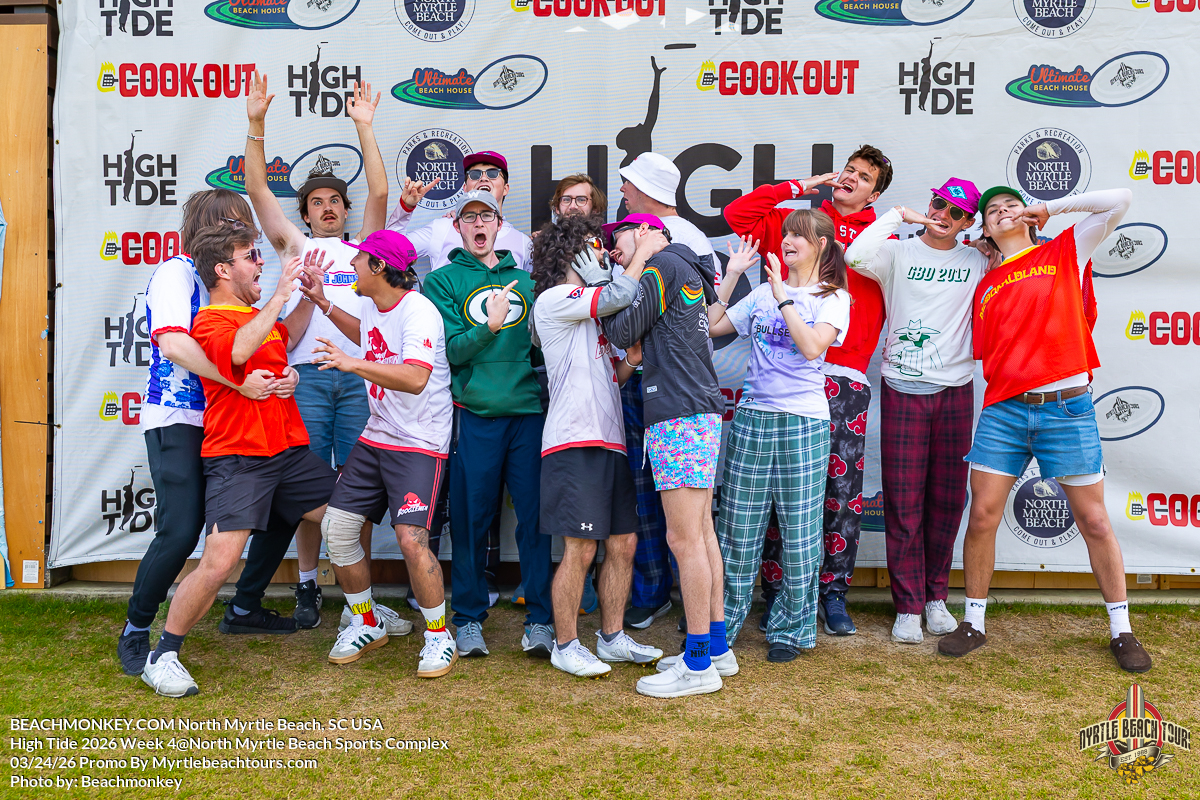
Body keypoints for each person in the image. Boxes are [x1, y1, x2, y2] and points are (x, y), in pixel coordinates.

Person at [938, 186, 1152, 674]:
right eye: (992, 211)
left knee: (1095, 522)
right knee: (983, 516)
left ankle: (1122, 630)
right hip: (1004, 412)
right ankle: (973, 623)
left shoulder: (1066, 250)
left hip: (1067, 409)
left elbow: (1120, 200)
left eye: (1010, 205)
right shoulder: (985, 285)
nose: (1002, 212)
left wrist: (1050, 208)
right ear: (985, 229)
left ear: (1028, 215)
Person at [140, 226, 337, 698]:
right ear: (223, 270)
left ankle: (365, 614)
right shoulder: (209, 319)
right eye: (251, 256)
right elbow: (237, 352)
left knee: (349, 516)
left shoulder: (257, 315)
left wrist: (310, 297)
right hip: (238, 457)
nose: (261, 262)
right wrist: (281, 295)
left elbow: (285, 337)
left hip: (288, 452)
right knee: (219, 562)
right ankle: (161, 655)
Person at [116, 190, 301, 677]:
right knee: (180, 531)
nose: (246, 234)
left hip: (228, 423)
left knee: (282, 507)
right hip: (178, 418)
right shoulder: (177, 272)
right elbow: (175, 345)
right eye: (236, 222)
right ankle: (137, 627)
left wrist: (286, 376)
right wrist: (236, 381)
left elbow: (264, 345)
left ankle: (243, 606)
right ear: (210, 225)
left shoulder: (235, 278)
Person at [243, 71, 398, 634]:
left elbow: (378, 194)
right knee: (310, 486)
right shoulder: (295, 244)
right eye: (317, 202)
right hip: (305, 378)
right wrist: (257, 123)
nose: (328, 208)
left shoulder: (365, 250)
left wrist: (365, 127)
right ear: (305, 215)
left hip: (358, 377)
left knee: (357, 491)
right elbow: (259, 192)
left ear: (344, 211)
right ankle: (307, 583)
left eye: (335, 201)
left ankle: (362, 597)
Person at [723, 144, 893, 636]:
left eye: (863, 177)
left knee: (839, 496)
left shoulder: (882, 239)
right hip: (785, 379)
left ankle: (832, 593)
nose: (850, 178)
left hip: (844, 375)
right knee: (780, 497)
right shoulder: (799, 226)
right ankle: (778, 594)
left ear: (874, 194)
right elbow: (738, 215)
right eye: (848, 170)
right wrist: (801, 186)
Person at [296, 230, 458, 676]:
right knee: (338, 529)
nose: (353, 264)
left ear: (380, 267)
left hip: (419, 442)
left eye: (361, 258)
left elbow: (415, 378)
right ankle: (367, 622)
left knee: (411, 540)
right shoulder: (371, 302)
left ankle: (439, 636)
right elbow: (367, 334)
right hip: (377, 435)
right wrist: (324, 303)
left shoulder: (419, 311)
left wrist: (351, 363)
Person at [843, 179, 984, 644]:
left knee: (948, 500)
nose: (944, 214)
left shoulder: (978, 259)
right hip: (903, 386)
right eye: (939, 204)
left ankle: (936, 598)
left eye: (956, 212)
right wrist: (898, 216)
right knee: (903, 500)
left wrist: (989, 241)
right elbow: (854, 257)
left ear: (968, 222)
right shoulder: (897, 251)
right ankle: (907, 606)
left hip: (956, 388)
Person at [708, 211, 851, 661]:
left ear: (822, 244)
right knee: (736, 529)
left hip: (804, 422)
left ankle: (790, 630)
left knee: (800, 533)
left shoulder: (833, 297)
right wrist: (733, 276)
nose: (788, 241)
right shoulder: (761, 293)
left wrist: (783, 298)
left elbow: (811, 347)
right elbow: (710, 327)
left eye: (798, 235)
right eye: (786, 234)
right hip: (753, 417)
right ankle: (722, 625)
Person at [530, 214, 665, 677]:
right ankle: (565, 644)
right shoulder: (554, 298)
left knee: (623, 544)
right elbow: (618, 295)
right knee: (581, 548)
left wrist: (631, 360)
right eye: (592, 246)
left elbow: (613, 374)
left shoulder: (595, 308)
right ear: (569, 254)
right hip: (573, 439)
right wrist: (642, 252)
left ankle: (611, 637)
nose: (603, 253)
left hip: (611, 441)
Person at [602, 214, 732, 698]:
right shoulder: (685, 265)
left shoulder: (660, 266)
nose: (611, 251)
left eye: (616, 238)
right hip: (692, 408)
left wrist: (636, 258)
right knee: (700, 534)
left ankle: (698, 664)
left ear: (642, 232)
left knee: (684, 539)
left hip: (678, 411)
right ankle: (715, 647)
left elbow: (621, 331)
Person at [422, 190, 554, 659]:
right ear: (458, 226)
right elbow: (453, 351)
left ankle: (541, 619)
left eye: (487, 216)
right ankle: (468, 618)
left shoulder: (529, 282)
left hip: (527, 413)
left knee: (535, 520)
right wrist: (490, 326)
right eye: (469, 217)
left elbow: (543, 349)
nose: (479, 223)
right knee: (470, 519)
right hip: (475, 414)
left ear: (499, 224)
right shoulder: (441, 281)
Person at [388, 151, 533, 272]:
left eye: (493, 174)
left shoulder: (523, 243)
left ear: (506, 188)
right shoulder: (441, 228)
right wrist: (405, 207)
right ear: (465, 188)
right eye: (475, 175)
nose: (483, 178)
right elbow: (389, 250)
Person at [619, 152, 720, 287]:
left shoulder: (691, 238)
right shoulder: (691, 236)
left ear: (645, 189)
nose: (622, 188)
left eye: (628, 181)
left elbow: (711, 294)